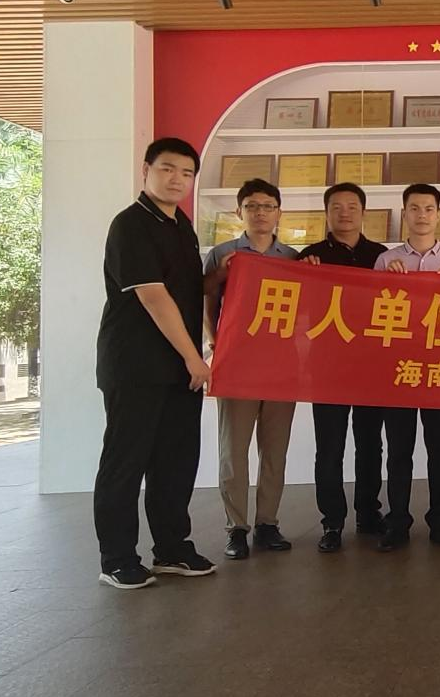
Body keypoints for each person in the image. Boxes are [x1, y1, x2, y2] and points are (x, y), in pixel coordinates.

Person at [93, 137, 214, 589]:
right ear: (146, 170)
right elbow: (154, 296)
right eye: (167, 169)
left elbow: (191, 289)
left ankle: (171, 549)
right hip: (136, 365)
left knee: (175, 462)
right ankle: (117, 558)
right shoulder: (130, 225)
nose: (177, 179)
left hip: (179, 369)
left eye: (186, 173)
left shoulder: (182, 226)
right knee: (126, 462)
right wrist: (193, 356)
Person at [202, 178, 298, 560]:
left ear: (279, 213)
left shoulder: (292, 258)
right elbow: (207, 301)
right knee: (233, 451)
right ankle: (237, 527)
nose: (260, 213)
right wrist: (216, 345)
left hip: (280, 366)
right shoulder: (223, 254)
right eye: (252, 206)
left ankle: (268, 523)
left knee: (275, 450)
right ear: (239, 212)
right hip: (237, 366)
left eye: (268, 206)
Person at [374, 183, 440, 549]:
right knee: (399, 451)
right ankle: (397, 522)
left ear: (438, 215)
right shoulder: (386, 261)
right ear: (404, 214)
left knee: (439, 450)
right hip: (398, 368)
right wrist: (387, 285)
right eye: (414, 208)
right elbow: (373, 314)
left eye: (429, 208)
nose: (422, 215)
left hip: (439, 367)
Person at [299, 182, 388, 553]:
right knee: (330, 447)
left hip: (371, 365)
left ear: (364, 212)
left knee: (370, 444)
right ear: (326, 213)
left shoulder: (381, 256)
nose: (345, 213)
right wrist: (303, 275)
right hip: (328, 365)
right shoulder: (310, 256)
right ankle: (332, 521)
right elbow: (295, 308)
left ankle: (368, 513)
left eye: (352, 206)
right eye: (337, 206)